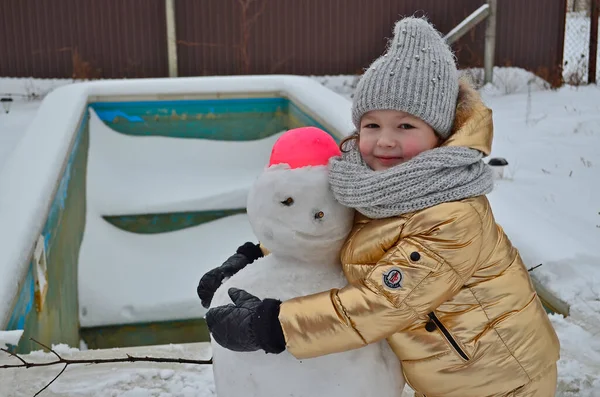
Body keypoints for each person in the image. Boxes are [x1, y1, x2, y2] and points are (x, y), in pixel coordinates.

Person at [199, 16, 560, 397]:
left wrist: (274, 325)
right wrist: (254, 258)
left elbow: (383, 304)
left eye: (405, 126)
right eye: (372, 125)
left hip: (502, 379)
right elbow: (332, 234)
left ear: (438, 134)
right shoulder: (372, 186)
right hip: (443, 374)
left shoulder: (454, 216)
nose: (385, 141)